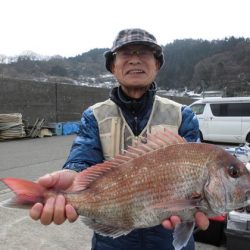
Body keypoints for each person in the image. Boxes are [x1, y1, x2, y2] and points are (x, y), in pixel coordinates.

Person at [29, 28, 209, 250]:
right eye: (125, 54)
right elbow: (83, 158)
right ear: (113, 66)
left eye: (144, 53)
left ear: (157, 64)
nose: (135, 59)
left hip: (167, 239)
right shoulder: (94, 115)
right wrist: (74, 176)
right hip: (111, 239)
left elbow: (199, 169)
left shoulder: (182, 115)